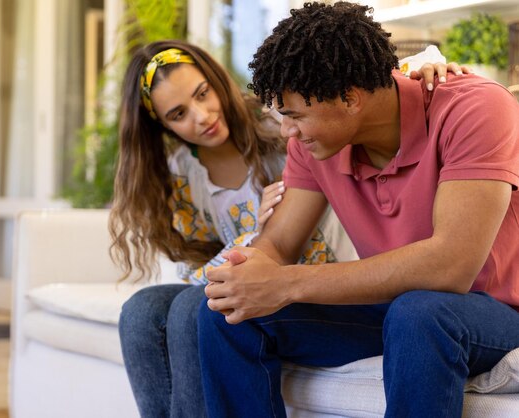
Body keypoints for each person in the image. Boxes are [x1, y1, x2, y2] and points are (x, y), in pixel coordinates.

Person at [111, 39, 469, 418]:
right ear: (161, 125)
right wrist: (251, 237)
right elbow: (200, 265)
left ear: (218, 82)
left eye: (203, 94)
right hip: (261, 268)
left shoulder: (293, 128)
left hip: (327, 276)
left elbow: (362, 89)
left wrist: (426, 61)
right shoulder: (181, 173)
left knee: (196, 305)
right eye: (179, 113)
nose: (201, 116)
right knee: (142, 309)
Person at [198, 2, 519, 418]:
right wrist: (246, 276)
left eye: (295, 115)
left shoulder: (475, 108)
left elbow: (451, 266)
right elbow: (279, 241)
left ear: (350, 98)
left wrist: (286, 283)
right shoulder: (312, 146)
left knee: (421, 311)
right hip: (396, 310)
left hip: (488, 312)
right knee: (227, 315)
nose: (286, 131)